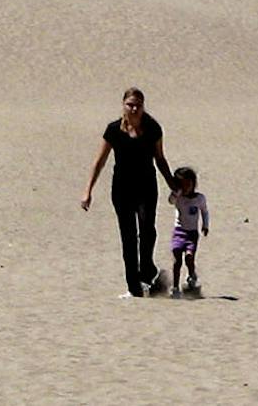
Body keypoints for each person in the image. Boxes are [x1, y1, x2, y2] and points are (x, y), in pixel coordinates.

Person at [81, 86, 176, 296]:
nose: (134, 109)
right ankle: (134, 287)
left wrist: (172, 185)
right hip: (122, 188)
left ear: (143, 107)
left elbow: (160, 158)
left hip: (146, 186)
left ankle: (147, 271)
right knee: (128, 236)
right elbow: (100, 161)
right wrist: (88, 190)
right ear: (123, 105)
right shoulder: (113, 130)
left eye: (138, 106)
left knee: (147, 230)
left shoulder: (152, 128)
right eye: (130, 105)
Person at [167, 166, 210, 295]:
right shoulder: (178, 198)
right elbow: (171, 201)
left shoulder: (199, 198)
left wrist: (205, 225)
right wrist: (176, 192)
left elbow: (205, 212)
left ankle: (192, 275)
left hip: (192, 233)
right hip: (179, 232)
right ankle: (175, 287)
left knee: (189, 257)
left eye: (188, 184)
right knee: (177, 259)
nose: (186, 187)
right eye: (182, 184)